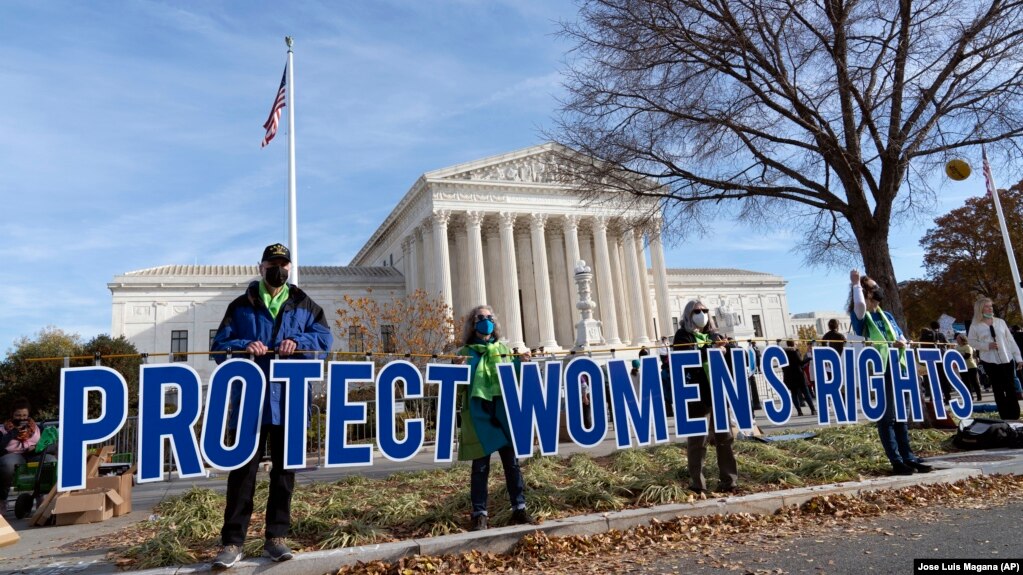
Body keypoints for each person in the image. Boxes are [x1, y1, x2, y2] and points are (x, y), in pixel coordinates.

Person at [209, 243, 333, 569]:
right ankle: (232, 542)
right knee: (242, 474)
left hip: (290, 400)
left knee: (284, 474)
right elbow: (218, 347)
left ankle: (276, 537)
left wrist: (300, 342)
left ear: (289, 268)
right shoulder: (240, 306)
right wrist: (243, 345)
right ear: (260, 267)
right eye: (272, 263)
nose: (278, 269)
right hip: (251, 402)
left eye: (283, 263)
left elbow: (324, 341)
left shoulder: (306, 306)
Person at [457, 304, 535, 531]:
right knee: (480, 467)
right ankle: (479, 514)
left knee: (512, 464)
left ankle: (519, 508)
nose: (485, 321)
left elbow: (515, 380)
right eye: (480, 317)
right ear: (473, 324)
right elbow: (457, 389)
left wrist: (523, 364)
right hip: (480, 415)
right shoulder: (464, 353)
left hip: (504, 412)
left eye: (489, 317)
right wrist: (456, 370)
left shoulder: (504, 350)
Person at [849, 269, 932, 475]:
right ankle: (896, 460)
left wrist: (904, 341)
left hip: (899, 366)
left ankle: (908, 456)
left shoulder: (886, 315)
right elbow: (859, 306)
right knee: (887, 418)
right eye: (874, 288)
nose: (878, 290)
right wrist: (856, 284)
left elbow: (900, 335)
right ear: (866, 292)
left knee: (901, 415)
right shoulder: (861, 316)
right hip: (880, 369)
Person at [672, 300, 738, 494]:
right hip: (696, 396)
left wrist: (728, 347)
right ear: (688, 314)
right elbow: (685, 358)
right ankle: (698, 484)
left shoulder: (713, 334)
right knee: (697, 443)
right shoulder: (682, 335)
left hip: (717, 393)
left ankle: (729, 481)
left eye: (705, 310)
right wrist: (711, 351)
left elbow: (731, 358)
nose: (702, 314)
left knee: (725, 439)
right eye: (697, 311)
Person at [967, 298, 1022, 420]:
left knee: (1010, 388)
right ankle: (1005, 416)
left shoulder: (1000, 322)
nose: (990, 308)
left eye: (991, 306)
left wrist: (1018, 357)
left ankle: (1015, 415)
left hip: (1007, 359)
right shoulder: (975, 325)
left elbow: (1010, 340)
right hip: (990, 361)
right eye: (987, 306)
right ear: (980, 309)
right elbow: (971, 341)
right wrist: (986, 346)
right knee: (998, 389)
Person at [1, 399, 53, 516]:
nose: (21, 418)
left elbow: (49, 445)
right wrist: (12, 434)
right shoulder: (4, 430)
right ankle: (2, 499)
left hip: (34, 454)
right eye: (18, 415)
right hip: (13, 455)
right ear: (12, 415)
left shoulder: (38, 429)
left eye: (24, 415)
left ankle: (42, 496)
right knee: (7, 464)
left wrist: (35, 448)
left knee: (50, 461)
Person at [783, 340, 815, 416]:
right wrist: (809, 358)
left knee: (794, 394)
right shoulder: (794, 352)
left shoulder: (783, 353)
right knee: (806, 393)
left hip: (789, 376)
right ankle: (813, 410)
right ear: (793, 344)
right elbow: (801, 363)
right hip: (798, 375)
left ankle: (799, 411)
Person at [955, 333, 983, 401]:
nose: (957, 339)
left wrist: (959, 356)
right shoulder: (957, 347)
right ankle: (970, 397)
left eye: (958, 338)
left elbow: (967, 356)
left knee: (974, 382)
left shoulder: (968, 346)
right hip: (962, 367)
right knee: (966, 383)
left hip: (971, 366)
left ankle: (979, 396)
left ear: (962, 339)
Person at [745, 340, 762, 411]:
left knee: (758, 365)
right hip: (753, 361)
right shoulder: (751, 348)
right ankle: (755, 404)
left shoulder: (756, 347)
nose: (755, 343)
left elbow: (758, 353)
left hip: (757, 358)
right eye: (754, 343)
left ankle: (759, 370)